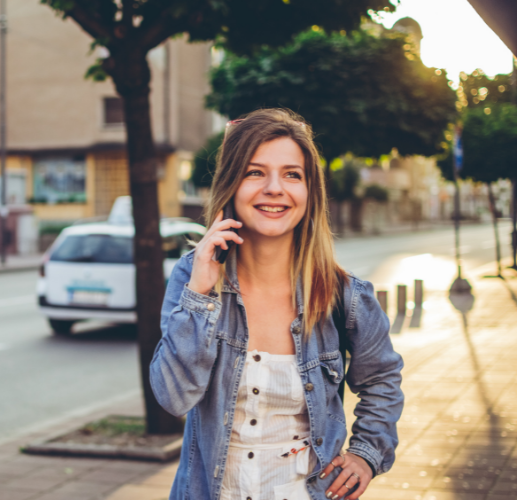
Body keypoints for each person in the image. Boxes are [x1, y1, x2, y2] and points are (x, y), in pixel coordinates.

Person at [150, 108, 404, 500]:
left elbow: (382, 381)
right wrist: (200, 295)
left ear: (309, 192)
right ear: (231, 184)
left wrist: (366, 454)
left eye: (292, 174)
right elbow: (174, 397)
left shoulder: (344, 295)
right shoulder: (194, 278)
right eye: (255, 172)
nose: (274, 188)